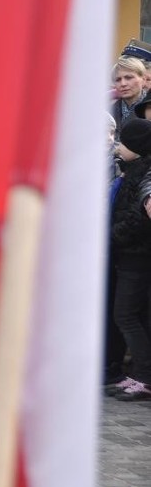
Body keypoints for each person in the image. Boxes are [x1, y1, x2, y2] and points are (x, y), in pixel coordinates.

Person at [105, 118, 151, 400]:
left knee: (126, 315)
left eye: (123, 142)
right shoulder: (132, 170)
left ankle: (144, 376)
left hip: (137, 256)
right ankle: (138, 374)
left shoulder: (142, 174)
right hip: (129, 254)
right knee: (134, 315)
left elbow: (136, 221)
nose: (119, 146)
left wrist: (110, 236)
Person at [111, 57, 147, 140]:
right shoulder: (107, 111)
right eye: (118, 80)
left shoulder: (148, 108)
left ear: (144, 80)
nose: (123, 84)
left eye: (128, 78)